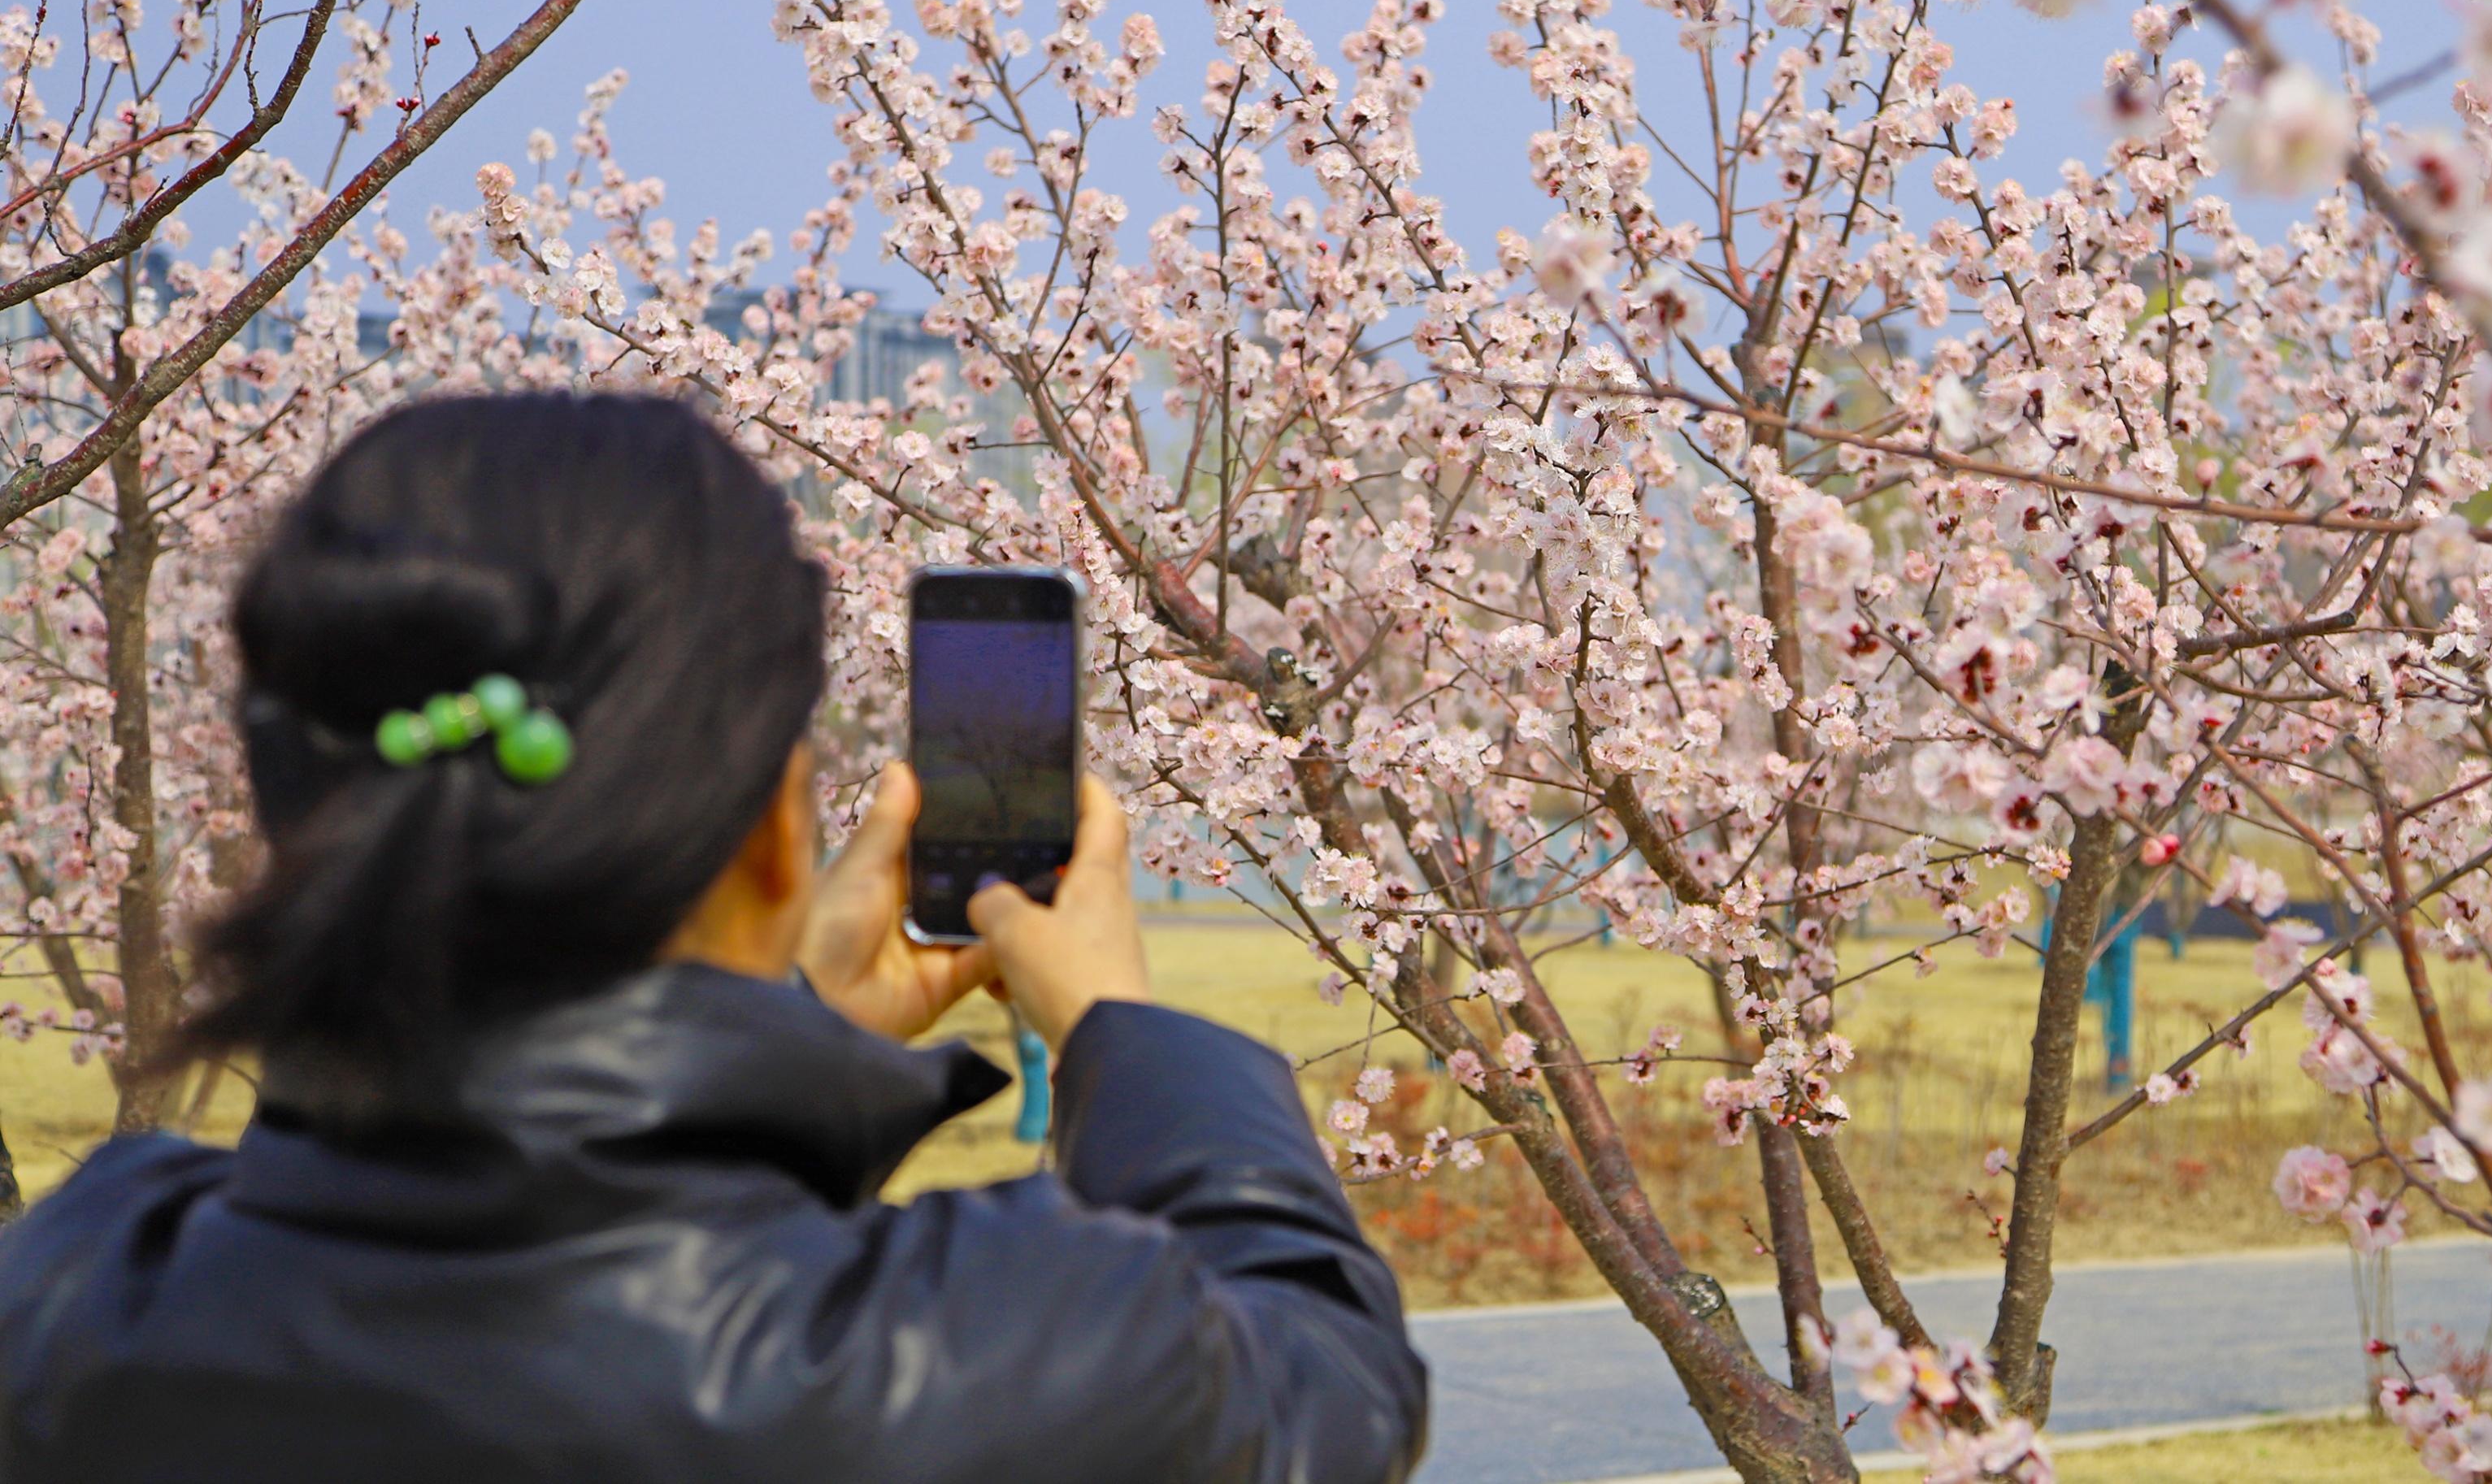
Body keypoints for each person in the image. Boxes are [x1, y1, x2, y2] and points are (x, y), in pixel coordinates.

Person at [0, 393, 1428, 1482]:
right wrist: (1128, 1027)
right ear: (774, 830)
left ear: (294, 807)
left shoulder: (73, 1297)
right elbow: (1321, 1366)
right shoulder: (1018, 1344)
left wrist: (792, 1032)